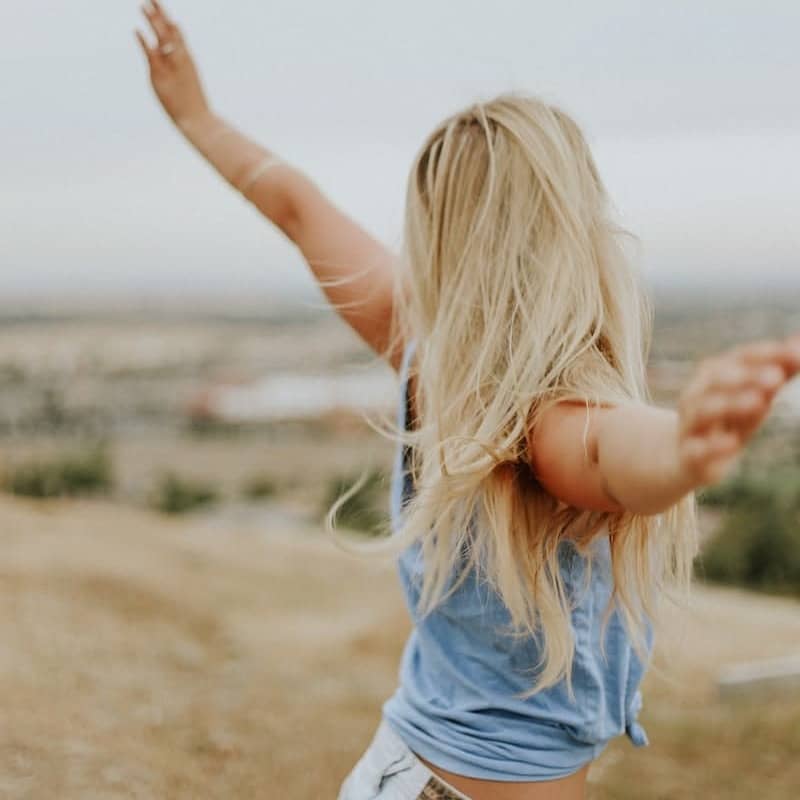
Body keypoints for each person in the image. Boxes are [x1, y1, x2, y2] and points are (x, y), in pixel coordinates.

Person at [135, 4, 800, 798]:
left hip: (401, 773)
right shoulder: (543, 422)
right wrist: (684, 445)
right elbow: (616, 457)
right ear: (574, 235)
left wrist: (198, 117)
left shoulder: (429, 355)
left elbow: (296, 206)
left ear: (443, 237)